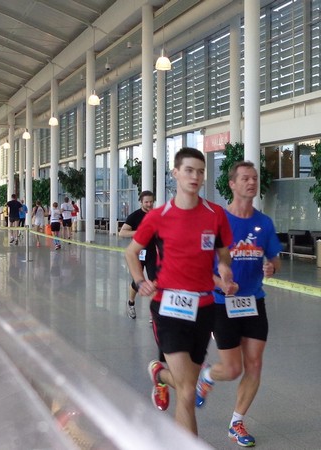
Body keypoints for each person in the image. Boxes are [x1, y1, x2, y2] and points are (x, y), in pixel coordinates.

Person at [125, 147, 235, 436]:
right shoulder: (158, 216)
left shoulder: (216, 214)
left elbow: (223, 252)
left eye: (200, 171)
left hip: (204, 309)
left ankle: (159, 373)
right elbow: (131, 251)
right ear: (175, 173)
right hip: (168, 308)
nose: (195, 176)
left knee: (188, 385)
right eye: (189, 170)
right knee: (187, 391)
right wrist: (139, 280)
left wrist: (224, 269)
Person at [193, 161, 281, 447]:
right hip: (222, 303)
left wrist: (271, 267)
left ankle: (237, 422)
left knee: (254, 365)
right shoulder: (217, 221)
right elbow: (200, 266)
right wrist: (221, 284)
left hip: (254, 302)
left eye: (254, 178)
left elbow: (275, 258)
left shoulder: (264, 223)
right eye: (245, 178)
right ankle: (208, 375)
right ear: (232, 184)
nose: (251, 182)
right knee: (232, 370)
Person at [119, 190, 156, 319]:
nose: (149, 204)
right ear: (141, 202)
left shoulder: (156, 215)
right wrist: (140, 232)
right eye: (146, 202)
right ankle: (131, 303)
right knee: (137, 282)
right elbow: (122, 233)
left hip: (152, 253)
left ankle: (154, 313)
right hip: (138, 253)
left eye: (151, 202)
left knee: (154, 282)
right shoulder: (134, 216)